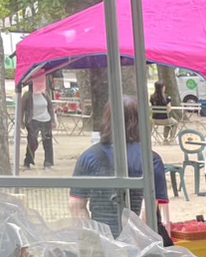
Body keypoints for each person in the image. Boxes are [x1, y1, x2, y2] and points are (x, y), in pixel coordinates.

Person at [69, 95, 169, 236]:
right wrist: (135, 241)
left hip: (103, 239)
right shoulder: (151, 159)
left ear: (107, 119)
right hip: (138, 241)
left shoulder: (88, 157)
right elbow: (148, 210)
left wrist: (94, 239)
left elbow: (76, 206)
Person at [20, 81, 55, 169]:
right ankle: (28, 161)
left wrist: (52, 121)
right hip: (33, 121)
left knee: (47, 142)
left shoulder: (45, 94)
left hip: (46, 120)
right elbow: (21, 109)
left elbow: (50, 107)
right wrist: (20, 122)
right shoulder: (27, 95)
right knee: (32, 142)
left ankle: (48, 162)